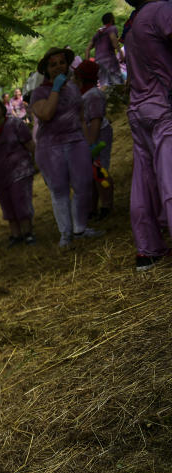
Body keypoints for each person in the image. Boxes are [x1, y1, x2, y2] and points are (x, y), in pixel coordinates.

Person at [31, 47, 103, 248]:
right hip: (50, 147)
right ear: (46, 70)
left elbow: (80, 117)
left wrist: (89, 143)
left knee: (83, 185)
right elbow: (45, 114)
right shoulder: (39, 93)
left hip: (76, 141)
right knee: (60, 190)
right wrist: (55, 89)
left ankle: (80, 228)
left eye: (61, 63)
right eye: (53, 65)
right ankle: (66, 234)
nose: (58, 67)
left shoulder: (73, 88)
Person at [122, 0, 172, 271]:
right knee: (169, 176)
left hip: (138, 109)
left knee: (143, 182)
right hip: (162, 107)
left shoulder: (132, 25)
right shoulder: (160, 11)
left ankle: (148, 249)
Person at [0, 98, 37, 246]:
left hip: (20, 170)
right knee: (7, 206)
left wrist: (40, 163)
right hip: (1, 176)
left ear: (2, 109)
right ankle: (16, 235)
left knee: (21, 202)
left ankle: (28, 233)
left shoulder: (15, 124)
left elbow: (30, 144)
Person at [74, 60, 115, 221]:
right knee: (91, 174)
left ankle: (107, 205)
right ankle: (92, 208)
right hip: (87, 137)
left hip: (97, 136)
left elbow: (96, 119)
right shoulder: (84, 93)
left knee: (100, 170)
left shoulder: (94, 94)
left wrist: (91, 141)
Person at [87, 12, 125, 87]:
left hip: (98, 62)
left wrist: (88, 64)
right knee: (117, 84)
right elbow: (113, 39)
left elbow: (87, 49)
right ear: (112, 19)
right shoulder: (112, 28)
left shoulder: (97, 34)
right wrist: (120, 53)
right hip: (110, 60)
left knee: (105, 86)